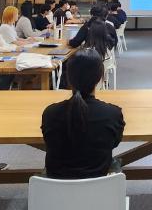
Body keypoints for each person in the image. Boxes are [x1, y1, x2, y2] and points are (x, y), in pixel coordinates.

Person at [41, 49, 125, 178]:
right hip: (100, 185)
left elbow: (49, 142)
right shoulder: (113, 114)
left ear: (68, 77)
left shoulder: (50, 113)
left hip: (56, 187)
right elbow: (113, 143)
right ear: (100, 77)